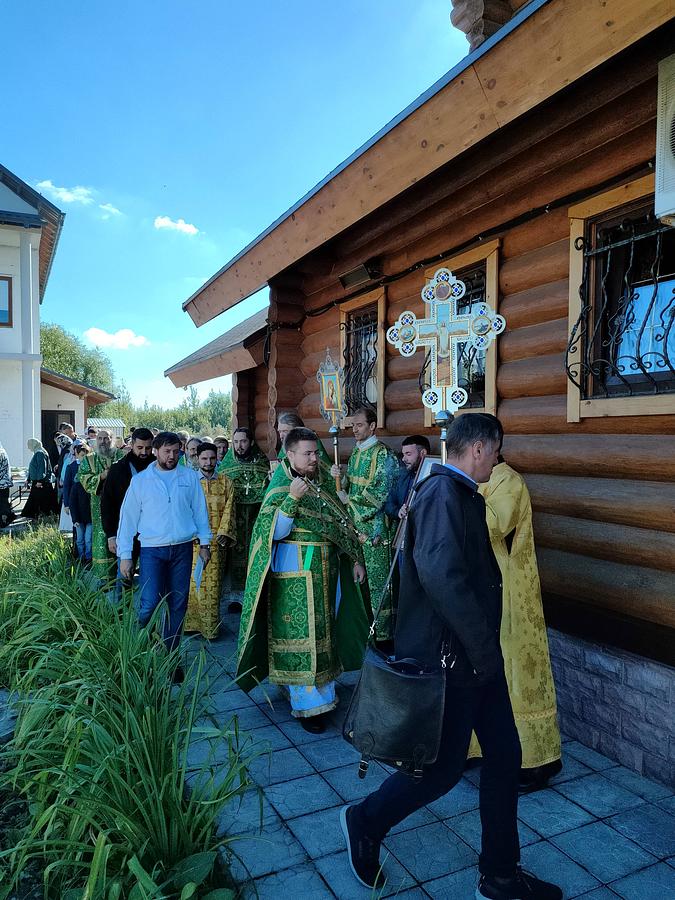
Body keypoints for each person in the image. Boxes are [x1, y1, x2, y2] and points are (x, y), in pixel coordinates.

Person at [340, 414, 562, 900]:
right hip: (455, 661)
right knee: (440, 772)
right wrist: (484, 649)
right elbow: (441, 575)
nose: (496, 462)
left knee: (505, 756)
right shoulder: (443, 492)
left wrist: (485, 652)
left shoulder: (456, 491)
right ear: (479, 449)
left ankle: (500, 875)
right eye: (495, 452)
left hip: (475, 659)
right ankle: (365, 819)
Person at [237, 427, 368, 732]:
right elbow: (272, 533)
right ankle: (308, 705)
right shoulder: (282, 485)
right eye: (307, 453)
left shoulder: (322, 481)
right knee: (302, 635)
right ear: (290, 454)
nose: (314, 458)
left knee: (326, 631)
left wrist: (355, 559)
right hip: (294, 569)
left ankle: (324, 693)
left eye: (315, 452)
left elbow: (339, 524)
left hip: (327, 568)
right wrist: (292, 500)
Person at [469, 440, 562, 792]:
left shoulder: (508, 480)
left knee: (520, 675)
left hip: (512, 593)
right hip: (485, 590)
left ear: (486, 450)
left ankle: (537, 761)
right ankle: (481, 747)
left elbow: (493, 526)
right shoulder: (477, 481)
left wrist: (455, 500)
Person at [117, 431, 211, 680]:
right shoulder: (141, 481)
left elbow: (200, 511)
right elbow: (127, 519)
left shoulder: (189, 477)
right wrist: (125, 555)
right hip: (152, 550)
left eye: (176, 452)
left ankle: (171, 658)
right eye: (167, 451)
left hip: (182, 548)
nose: (172, 456)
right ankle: (138, 647)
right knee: (149, 602)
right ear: (155, 451)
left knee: (178, 604)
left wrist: (205, 543)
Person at [332, 407, 399, 641]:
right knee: (360, 578)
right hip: (357, 525)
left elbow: (382, 491)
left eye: (359, 425)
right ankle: (366, 631)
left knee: (379, 581)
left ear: (372, 426)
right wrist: (340, 477)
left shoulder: (384, 454)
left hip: (377, 528)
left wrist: (349, 501)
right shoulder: (356, 453)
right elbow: (351, 485)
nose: (354, 429)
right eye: (353, 425)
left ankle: (384, 636)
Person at [184, 442, 235, 639]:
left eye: (212, 458)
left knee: (212, 589)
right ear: (197, 459)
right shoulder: (189, 482)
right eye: (204, 458)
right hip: (193, 542)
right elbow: (184, 509)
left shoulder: (226, 482)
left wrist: (224, 532)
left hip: (216, 542)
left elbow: (230, 509)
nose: (208, 462)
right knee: (191, 585)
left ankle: (210, 628)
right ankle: (190, 625)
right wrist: (191, 534)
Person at [217, 426, 270, 611]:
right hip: (235, 520)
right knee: (234, 558)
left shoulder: (262, 463)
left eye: (243, 441)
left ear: (251, 442)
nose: (239, 446)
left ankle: (256, 596)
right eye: (236, 442)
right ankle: (236, 598)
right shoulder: (227, 465)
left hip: (256, 519)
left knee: (255, 556)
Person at [101, 428, 155, 597]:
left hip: (152, 533)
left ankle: (147, 609)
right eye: (140, 448)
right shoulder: (119, 468)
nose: (144, 452)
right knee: (124, 574)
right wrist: (111, 534)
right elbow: (107, 502)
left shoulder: (158, 467)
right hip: (125, 531)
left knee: (150, 578)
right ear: (132, 445)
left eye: (148, 448)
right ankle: (121, 608)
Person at [78, 429, 124, 582]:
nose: (103, 441)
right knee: (101, 534)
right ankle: (104, 577)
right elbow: (83, 478)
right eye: (100, 438)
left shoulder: (121, 456)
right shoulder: (89, 459)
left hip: (121, 504)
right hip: (99, 504)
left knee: (122, 532)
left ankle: (124, 573)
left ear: (112, 439)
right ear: (96, 440)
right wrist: (102, 476)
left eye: (106, 438)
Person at [384, 435, 430, 521]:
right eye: (403, 454)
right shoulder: (402, 475)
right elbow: (389, 504)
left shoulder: (433, 479)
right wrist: (398, 512)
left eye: (408, 454)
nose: (403, 459)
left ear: (423, 453)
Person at [67, 441, 93, 563]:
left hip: (89, 517)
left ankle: (88, 557)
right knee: (80, 539)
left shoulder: (92, 485)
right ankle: (81, 557)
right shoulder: (76, 486)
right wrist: (75, 519)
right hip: (79, 517)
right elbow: (72, 503)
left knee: (88, 539)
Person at [22, 439, 58, 518]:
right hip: (39, 481)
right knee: (42, 500)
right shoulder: (38, 452)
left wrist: (39, 481)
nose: (28, 447)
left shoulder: (40, 453)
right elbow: (33, 467)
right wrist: (28, 479)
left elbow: (41, 468)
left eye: (29, 445)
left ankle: (42, 515)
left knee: (41, 500)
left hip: (41, 481)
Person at [0, 440, 15, 528]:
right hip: (4, 483)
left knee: (2, 504)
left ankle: (6, 520)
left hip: (1, 484)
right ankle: (9, 517)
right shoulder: (3, 451)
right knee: (4, 503)